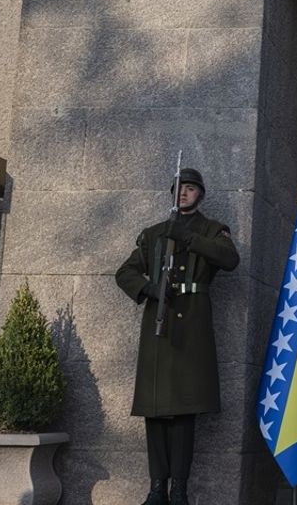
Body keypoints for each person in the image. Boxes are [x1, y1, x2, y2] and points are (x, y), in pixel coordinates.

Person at [115, 167, 240, 505]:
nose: (183, 193)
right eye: (178, 188)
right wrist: (150, 289)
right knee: (155, 409)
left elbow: (230, 259)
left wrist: (188, 238)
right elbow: (124, 271)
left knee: (185, 410)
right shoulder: (154, 233)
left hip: (192, 326)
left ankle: (179, 489)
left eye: (190, 188)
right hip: (159, 323)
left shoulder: (212, 229)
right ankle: (157, 488)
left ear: (200, 193)